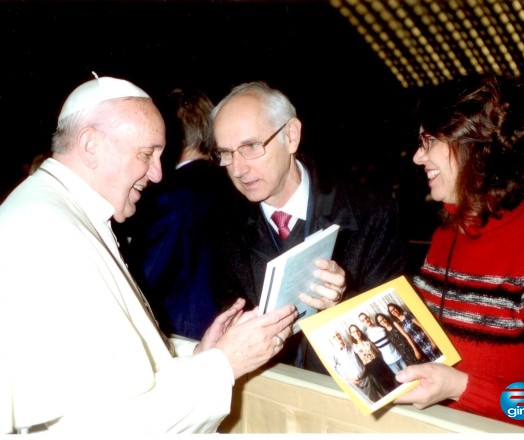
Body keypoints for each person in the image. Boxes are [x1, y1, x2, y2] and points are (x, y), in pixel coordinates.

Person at [0, 74, 298, 434]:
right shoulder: (46, 235)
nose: (157, 174)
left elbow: (121, 374)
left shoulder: (60, 211)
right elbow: (99, 428)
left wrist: (202, 354)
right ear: (90, 145)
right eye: (146, 154)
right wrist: (223, 364)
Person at [393, 74, 524, 433]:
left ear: (475, 146)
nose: (416, 157)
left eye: (429, 142)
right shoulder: (448, 231)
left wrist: (463, 389)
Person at [210, 81, 409, 373]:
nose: (238, 169)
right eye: (226, 153)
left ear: (291, 136)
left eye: (250, 147)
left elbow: (398, 336)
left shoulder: (372, 214)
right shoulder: (223, 229)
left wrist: (344, 302)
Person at [118, 87, 236, 339]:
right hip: (225, 329)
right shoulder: (232, 185)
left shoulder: (167, 198)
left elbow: (142, 283)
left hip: (179, 336)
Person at [329, 330, 388, 403]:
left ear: (340, 335)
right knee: (375, 401)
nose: (337, 337)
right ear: (332, 340)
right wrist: (347, 380)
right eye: (334, 337)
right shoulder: (334, 354)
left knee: (385, 393)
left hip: (369, 374)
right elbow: (333, 371)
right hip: (360, 382)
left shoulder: (351, 345)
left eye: (337, 334)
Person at [348, 324, 398, 394]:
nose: (356, 333)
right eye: (353, 332)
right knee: (384, 384)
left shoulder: (368, 341)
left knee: (391, 378)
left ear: (359, 331)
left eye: (357, 330)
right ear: (351, 334)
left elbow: (377, 351)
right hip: (370, 367)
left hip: (378, 362)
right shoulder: (353, 348)